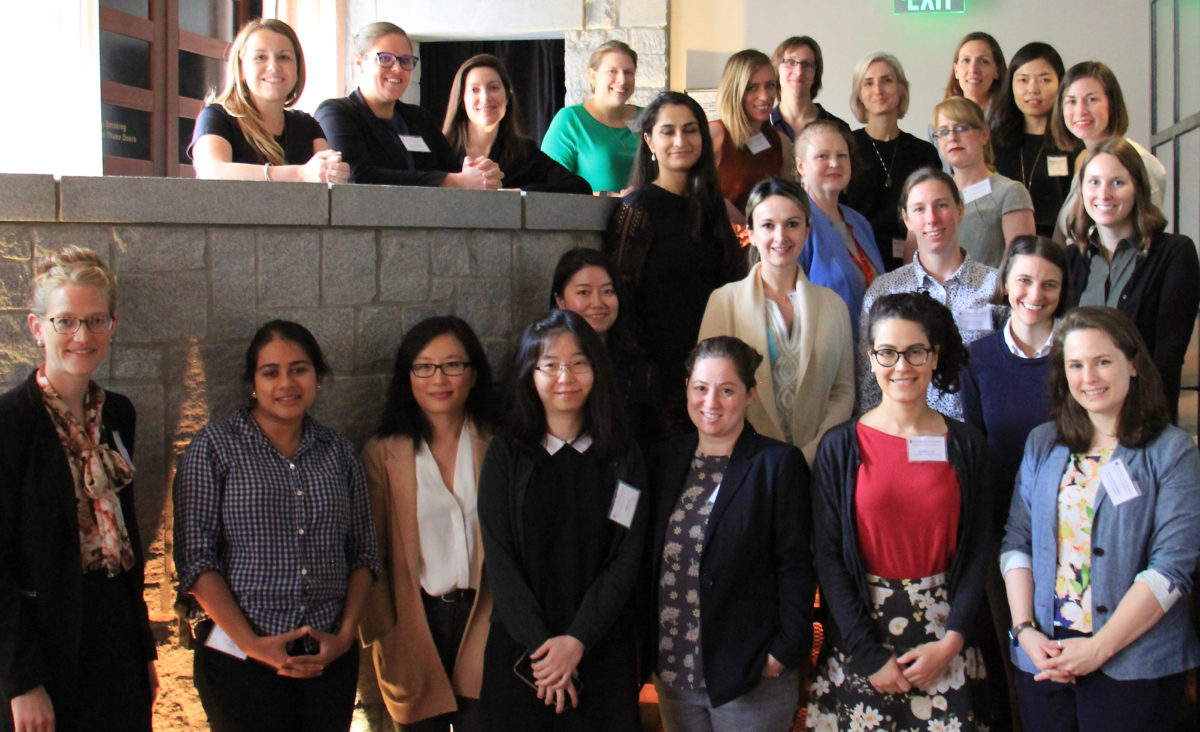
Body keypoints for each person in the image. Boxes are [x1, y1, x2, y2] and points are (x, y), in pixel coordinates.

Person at [173, 320, 381, 732]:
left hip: (327, 659)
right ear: (253, 383)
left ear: (317, 378)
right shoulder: (214, 447)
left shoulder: (338, 452)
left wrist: (343, 637)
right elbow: (196, 560)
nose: (286, 383)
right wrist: (253, 644)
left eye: (299, 369)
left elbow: (364, 553)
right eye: (271, 372)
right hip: (240, 659)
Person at [1002, 306, 1200, 731]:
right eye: (1075, 365)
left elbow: (1172, 567)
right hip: (1045, 657)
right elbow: (1017, 541)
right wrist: (1024, 631)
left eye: (1103, 361)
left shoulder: (1172, 451)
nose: (1088, 377)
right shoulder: (1043, 443)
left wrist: (1099, 648)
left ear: (1133, 364)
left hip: (1135, 663)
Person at [808, 292, 992, 731]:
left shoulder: (967, 445)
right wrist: (867, 653)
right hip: (862, 637)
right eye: (887, 352)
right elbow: (828, 555)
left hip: (945, 636)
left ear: (935, 356)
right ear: (871, 358)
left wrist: (952, 641)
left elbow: (979, 549)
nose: (901, 366)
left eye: (915, 352)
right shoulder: (839, 447)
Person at [0, 246, 156, 731]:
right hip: (45, 641)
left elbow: (127, 537)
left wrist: (144, 651)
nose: (82, 336)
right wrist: (21, 682)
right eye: (65, 321)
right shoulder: (10, 423)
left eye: (95, 321)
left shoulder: (119, 414)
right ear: (37, 327)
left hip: (116, 637)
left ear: (113, 325)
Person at [477, 309, 648, 730]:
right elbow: (499, 559)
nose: (564, 377)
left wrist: (577, 640)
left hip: (601, 645)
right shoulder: (507, 453)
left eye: (578, 363)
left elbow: (627, 555)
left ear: (597, 369)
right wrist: (545, 650)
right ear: (529, 375)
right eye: (550, 365)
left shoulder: (622, 455)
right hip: (524, 652)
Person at [647, 336, 814, 729]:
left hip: (751, 672)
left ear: (750, 394)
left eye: (726, 390)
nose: (711, 402)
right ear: (686, 388)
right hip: (675, 666)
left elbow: (796, 565)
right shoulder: (663, 461)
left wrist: (783, 651)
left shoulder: (778, 464)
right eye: (700, 388)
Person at [358, 317, 497, 731]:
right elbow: (371, 553)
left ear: (473, 374)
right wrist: (386, 633)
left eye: (452, 365)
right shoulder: (383, 454)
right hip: (415, 621)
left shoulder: (500, 445)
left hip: (486, 617)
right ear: (408, 376)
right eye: (424, 366)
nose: (439, 379)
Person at [959, 235, 1070, 731]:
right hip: (1006, 531)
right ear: (1005, 283)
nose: (1035, 294)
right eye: (1024, 280)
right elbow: (976, 448)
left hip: (1074, 528)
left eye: (1050, 284)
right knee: (1014, 651)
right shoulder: (978, 358)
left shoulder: (1078, 351)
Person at [606, 91, 747, 437]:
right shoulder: (638, 207)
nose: (680, 140)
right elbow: (620, 298)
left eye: (690, 130)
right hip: (659, 380)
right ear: (649, 141)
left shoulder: (713, 208)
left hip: (713, 371)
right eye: (668, 131)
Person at [698, 177, 854, 465]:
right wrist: (758, 459)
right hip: (745, 462)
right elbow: (708, 391)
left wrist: (811, 453)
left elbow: (843, 392)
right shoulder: (724, 302)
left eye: (792, 224)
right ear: (751, 233)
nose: (781, 237)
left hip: (816, 463)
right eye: (768, 225)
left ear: (807, 230)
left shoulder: (833, 305)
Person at [1063, 137, 1200, 422]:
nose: (1104, 194)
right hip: (1079, 420)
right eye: (1094, 182)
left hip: (1143, 419)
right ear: (1081, 189)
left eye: (1117, 183)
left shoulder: (1175, 253)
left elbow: (1168, 356)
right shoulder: (1070, 259)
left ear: (1138, 188)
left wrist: (1145, 426)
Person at [859, 168, 1001, 420]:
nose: (931, 218)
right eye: (919, 209)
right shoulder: (884, 291)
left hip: (979, 431)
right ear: (906, 219)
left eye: (941, 205)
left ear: (960, 210)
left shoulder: (996, 286)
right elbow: (869, 382)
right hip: (903, 430)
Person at [315, 22, 502, 189]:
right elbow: (355, 177)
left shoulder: (419, 119)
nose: (397, 68)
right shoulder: (336, 113)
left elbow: (455, 171)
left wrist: (480, 173)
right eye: (385, 59)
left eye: (405, 61)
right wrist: (451, 181)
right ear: (359, 63)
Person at [190, 19, 349, 184]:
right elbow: (212, 172)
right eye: (260, 57)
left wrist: (336, 174)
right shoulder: (216, 117)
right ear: (241, 69)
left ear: (297, 67)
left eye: (284, 57)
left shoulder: (307, 126)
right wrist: (299, 174)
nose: (273, 66)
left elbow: (327, 188)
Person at [549, 247, 663, 448]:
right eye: (584, 292)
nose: (598, 303)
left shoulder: (641, 371)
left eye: (608, 291)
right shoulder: (542, 366)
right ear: (560, 301)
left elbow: (653, 445)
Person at [843, 53, 941, 271]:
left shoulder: (924, 152)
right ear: (859, 95)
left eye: (886, 80)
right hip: (858, 263)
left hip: (917, 262)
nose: (878, 90)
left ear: (901, 89)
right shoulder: (845, 149)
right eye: (868, 83)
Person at [1052, 61, 1166, 241]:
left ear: (1112, 104)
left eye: (1091, 99)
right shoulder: (1086, 164)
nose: (1080, 110)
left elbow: (1147, 240)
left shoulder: (1140, 161)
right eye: (1071, 101)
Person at [443, 54, 590, 194]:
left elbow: (580, 187)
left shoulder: (525, 152)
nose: (485, 97)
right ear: (461, 100)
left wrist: (516, 195)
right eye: (474, 90)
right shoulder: (442, 150)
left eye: (493, 87)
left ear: (508, 96)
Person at [794, 119, 885, 338]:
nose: (835, 163)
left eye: (842, 155)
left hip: (874, 348)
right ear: (801, 166)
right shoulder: (794, 224)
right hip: (823, 350)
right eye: (823, 156)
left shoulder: (860, 223)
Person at [932, 96, 1035, 267]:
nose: (952, 137)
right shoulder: (932, 195)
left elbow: (1022, 265)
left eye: (962, 128)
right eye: (943, 132)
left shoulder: (1010, 192)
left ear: (984, 134)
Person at [990, 42, 1074, 236]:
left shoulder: (1072, 143)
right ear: (1010, 85)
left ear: (1061, 84)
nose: (1033, 89)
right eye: (1023, 80)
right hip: (1003, 245)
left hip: (1057, 245)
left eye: (1044, 80)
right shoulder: (993, 142)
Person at [541, 41, 640, 194]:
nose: (622, 79)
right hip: (595, 210)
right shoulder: (570, 120)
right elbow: (547, 190)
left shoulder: (649, 117)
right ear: (593, 76)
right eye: (612, 71)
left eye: (628, 72)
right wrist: (605, 196)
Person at [709, 49, 796, 223]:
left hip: (768, 238)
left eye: (770, 85)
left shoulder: (781, 141)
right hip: (720, 237)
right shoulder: (715, 135)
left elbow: (789, 201)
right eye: (752, 88)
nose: (764, 96)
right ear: (735, 91)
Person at [769, 35, 848, 141]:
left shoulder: (839, 129)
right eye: (791, 62)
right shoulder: (760, 127)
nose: (799, 72)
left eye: (806, 64)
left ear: (816, 73)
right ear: (776, 69)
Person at [943, 32, 1006, 115]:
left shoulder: (1012, 118)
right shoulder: (944, 116)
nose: (973, 69)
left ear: (997, 71)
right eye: (966, 60)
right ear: (956, 70)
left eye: (984, 61)